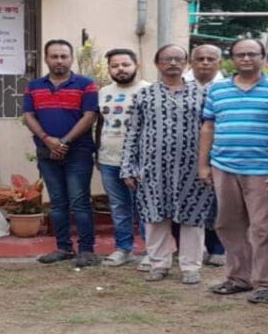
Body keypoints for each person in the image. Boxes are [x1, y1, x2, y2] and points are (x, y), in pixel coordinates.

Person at [199, 38, 268, 304]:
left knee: (265, 228)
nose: (246, 59)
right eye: (240, 54)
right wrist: (203, 165)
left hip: (264, 170)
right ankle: (239, 278)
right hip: (224, 167)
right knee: (228, 224)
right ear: (232, 59)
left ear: (263, 57)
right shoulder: (218, 90)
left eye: (252, 54)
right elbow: (208, 127)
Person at [121, 45, 216, 284]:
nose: (172, 63)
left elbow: (212, 130)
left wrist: (210, 164)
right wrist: (128, 166)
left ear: (186, 63)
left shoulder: (204, 94)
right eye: (166, 59)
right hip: (153, 169)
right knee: (155, 217)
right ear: (157, 63)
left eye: (178, 59)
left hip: (193, 168)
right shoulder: (144, 94)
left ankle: (190, 267)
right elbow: (133, 131)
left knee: (193, 217)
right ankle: (159, 263)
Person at [24, 39, 99, 267]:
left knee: (80, 202)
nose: (59, 61)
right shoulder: (34, 86)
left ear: (71, 58)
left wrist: (63, 142)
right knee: (57, 203)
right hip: (46, 152)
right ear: (46, 59)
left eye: (63, 56)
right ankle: (63, 248)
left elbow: (90, 116)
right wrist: (48, 141)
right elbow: (29, 115)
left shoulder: (86, 84)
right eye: (54, 56)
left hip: (78, 152)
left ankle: (86, 251)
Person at [95, 48, 149, 266]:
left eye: (125, 64)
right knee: (118, 207)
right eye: (115, 65)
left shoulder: (149, 91)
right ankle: (123, 249)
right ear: (109, 69)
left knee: (144, 207)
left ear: (137, 65)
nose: (120, 69)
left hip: (140, 161)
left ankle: (150, 251)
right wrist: (97, 151)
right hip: (109, 159)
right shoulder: (104, 92)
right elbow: (100, 123)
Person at [176, 43, 226, 267]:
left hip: (219, 155)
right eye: (200, 59)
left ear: (219, 63)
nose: (205, 62)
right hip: (182, 156)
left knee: (217, 204)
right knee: (184, 202)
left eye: (210, 59)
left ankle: (217, 249)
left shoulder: (227, 87)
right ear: (191, 62)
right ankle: (186, 250)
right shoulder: (178, 86)